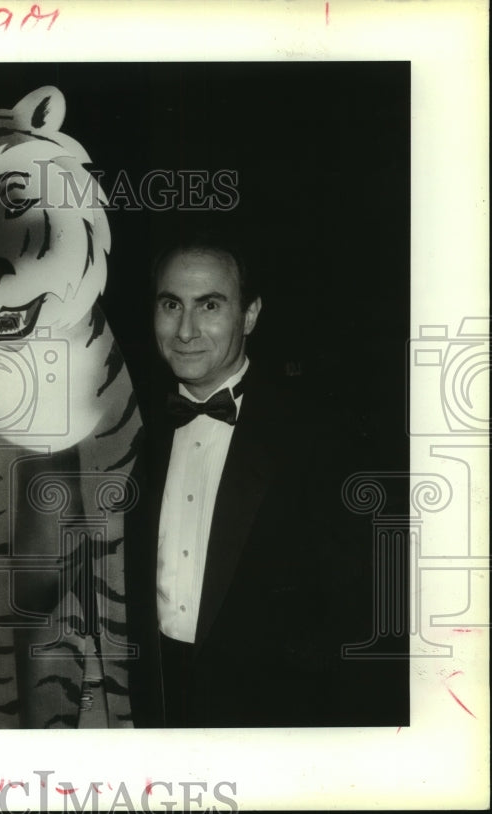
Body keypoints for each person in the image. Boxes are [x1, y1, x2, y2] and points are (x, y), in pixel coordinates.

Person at [125, 234, 406, 728]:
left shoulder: (324, 440)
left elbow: (365, 624)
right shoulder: (130, 432)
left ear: (249, 315)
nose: (186, 329)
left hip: (273, 720)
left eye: (209, 305)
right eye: (172, 304)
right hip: (157, 711)